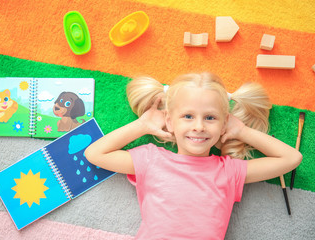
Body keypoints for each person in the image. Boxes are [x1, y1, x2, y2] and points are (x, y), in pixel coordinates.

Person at [85, 72, 302, 239]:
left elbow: (292, 159)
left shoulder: (228, 170)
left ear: (224, 122)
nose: (198, 126)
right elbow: (95, 153)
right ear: (170, 121)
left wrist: (242, 131)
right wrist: (142, 125)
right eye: (188, 116)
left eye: (210, 118)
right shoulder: (151, 159)